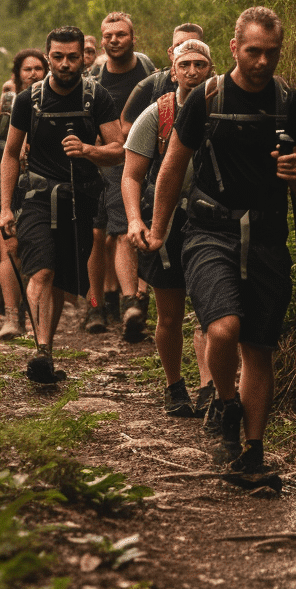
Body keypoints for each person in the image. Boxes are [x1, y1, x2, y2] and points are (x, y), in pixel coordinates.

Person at [146, 7, 296, 478]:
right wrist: (159, 229)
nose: (263, 61)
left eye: (272, 52)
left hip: (266, 236)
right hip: (209, 230)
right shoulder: (206, 97)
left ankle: (253, 452)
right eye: (253, 51)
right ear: (234, 48)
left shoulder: (290, 102)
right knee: (222, 329)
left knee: (259, 348)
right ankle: (225, 403)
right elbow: (173, 166)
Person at [0, 27, 124, 383]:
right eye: (57, 57)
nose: (65, 64)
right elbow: (10, 155)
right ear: (47, 55)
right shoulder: (28, 100)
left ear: (82, 57)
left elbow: (118, 150)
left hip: (80, 200)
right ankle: (40, 350)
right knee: (41, 271)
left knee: (60, 278)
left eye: (72, 57)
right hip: (37, 197)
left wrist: (87, 150)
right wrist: (6, 207)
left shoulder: (96, 97)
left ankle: (46, 352)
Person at [123, 39, 215, 417]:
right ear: (172, 70)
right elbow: (131, 174)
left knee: (211, 309)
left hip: (210, 219)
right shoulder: (157, 114)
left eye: (200, 64)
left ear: (211, 68)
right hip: (165, 221)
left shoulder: (222, 107)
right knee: (171, 313)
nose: (192, 72)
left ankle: (211, 386)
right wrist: (134, 220)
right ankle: (174, 385)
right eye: (185, 65)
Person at [85, 12, 156, 339]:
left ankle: (137, 299)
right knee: (118, 228)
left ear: (133, 37)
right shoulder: (95, 77)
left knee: (149, 223)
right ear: (101, 39)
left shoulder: (146, 70)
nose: (114, 40)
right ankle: (125, 301)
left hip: (152, 158)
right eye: (108, 35)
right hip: (113, 162)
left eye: (121, 34)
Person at [0, 49, 48, 339]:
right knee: (5, 246)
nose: (33, 74)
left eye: (38, 68)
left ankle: (33, 313)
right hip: (1, 185)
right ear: (17, 73)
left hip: (40, 186)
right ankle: (11, 316)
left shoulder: (55, 103)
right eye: (27, 69)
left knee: (31, 248)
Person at [121, 22, 205, 130]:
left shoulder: (215, 86)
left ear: (204, 50)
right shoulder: (153, 84)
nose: (185, 51)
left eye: (191, 46)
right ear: (171, 52)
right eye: (179, 46)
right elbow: (127, 123)